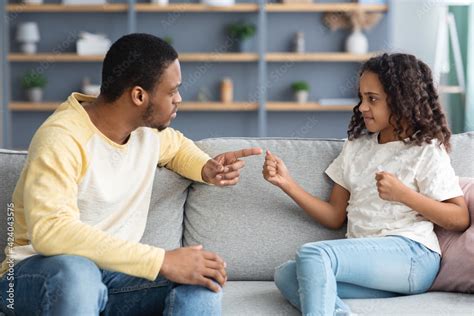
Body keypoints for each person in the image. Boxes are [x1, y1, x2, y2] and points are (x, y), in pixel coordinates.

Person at [0, 33, 262, 315]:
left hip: (112, 277)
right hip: (34, 276)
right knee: (77, 272)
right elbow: (52, 232)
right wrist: (161, 260)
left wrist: (207, 168)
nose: (179, 99)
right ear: (139, 95)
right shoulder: (62, 137)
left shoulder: (145, 133)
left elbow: (177, 148)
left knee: (201, 279)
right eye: (172, 91)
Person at [262, 53, 469, 316]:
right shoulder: (356, 147)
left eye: (372, 99)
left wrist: (404, 195)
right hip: (371, 263)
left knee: (314, 255)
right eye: (361, 98)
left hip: (413, 255)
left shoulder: (425, 149)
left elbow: (460, 217)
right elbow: (335, 216)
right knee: (286, 275)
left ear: (401, 101)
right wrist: (286, 183)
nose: (362, 107)